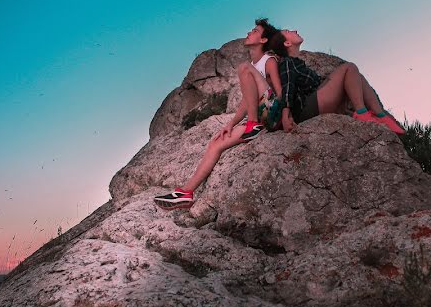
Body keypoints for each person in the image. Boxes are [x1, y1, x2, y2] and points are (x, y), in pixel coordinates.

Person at [153, 19, 283, 211]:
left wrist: (283, 114)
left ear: (263, 40)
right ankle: (185, 194)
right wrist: (230, 124)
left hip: (273, 113)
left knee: (244, 67)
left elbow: (280, 93)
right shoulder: (254, 66)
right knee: (216, 143)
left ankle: (253, 124)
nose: (249, 32)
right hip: (259, 122)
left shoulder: (269, 60)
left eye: (255, 30)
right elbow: (247, 102)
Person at [268, 29, 405, 135]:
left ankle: (381, 116)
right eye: (288, 31)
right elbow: (287, 87)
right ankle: (362, 113)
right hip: (307, 109)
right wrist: (286, 115)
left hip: (317, 101)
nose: (294, 31)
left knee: (358, 76)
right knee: (349, 67)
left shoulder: (297, 63)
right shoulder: (287, 62)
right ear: (287, 43)